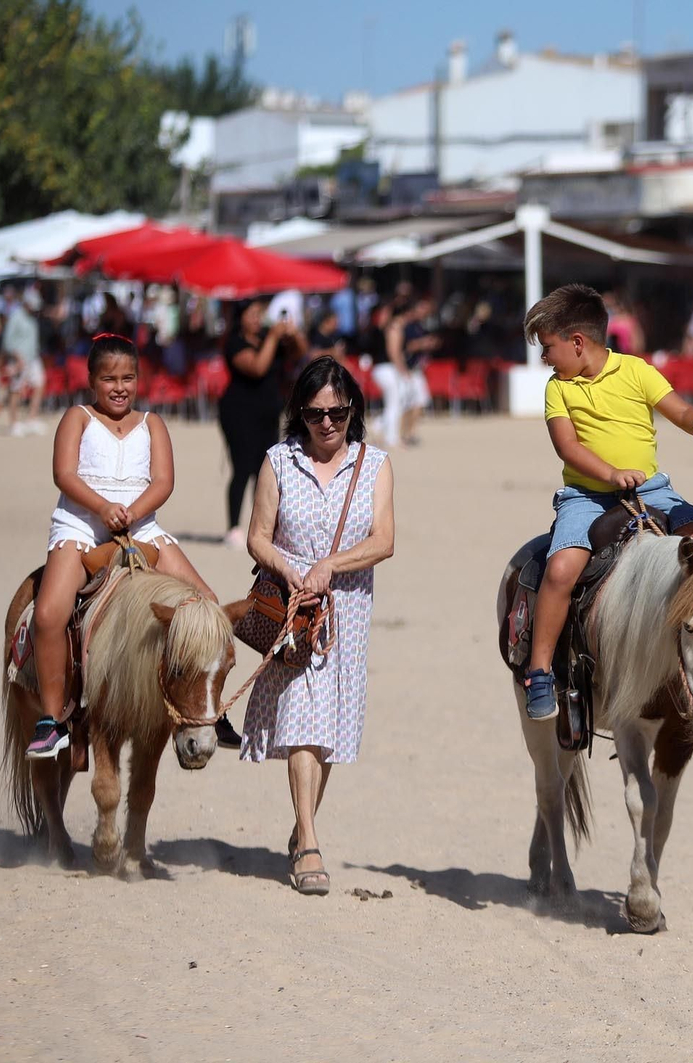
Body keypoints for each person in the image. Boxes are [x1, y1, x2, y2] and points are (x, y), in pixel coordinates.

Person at [520, 284, 693, 722]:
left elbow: (678, 409)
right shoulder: (558, 388)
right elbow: (568, 448)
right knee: (560, 570)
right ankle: (539, 670)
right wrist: (610, 474)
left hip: (651, 489)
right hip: (586, 496)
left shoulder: (637, 370)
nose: (545, 359)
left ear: (578, 342)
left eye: (548, 348)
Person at [241, 356, 394, 895]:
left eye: (337, 412)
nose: (327, 423)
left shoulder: (374, 465)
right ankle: (308, 841)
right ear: (298, 414)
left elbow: (384, 540)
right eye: (315, 414)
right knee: (303, 718)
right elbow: (258, 535)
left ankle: (300, 826)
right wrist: (292, 568)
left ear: (353, 410)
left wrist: (331, 565)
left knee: (326, 730)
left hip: (347, 612)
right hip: (293, 608)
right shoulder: (278, 462)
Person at [25, 334, 217, 758]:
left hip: (141, 526)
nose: (119, 387)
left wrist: (132, 510)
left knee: (207, 603)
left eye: (128, 377)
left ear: (139, 379)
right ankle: (52, 718)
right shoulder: (78, 417)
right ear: (91, 380)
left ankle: (207, 709)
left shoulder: (152, 423)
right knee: (49, 613)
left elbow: (164, 481)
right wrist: (102, 506)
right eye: (109, 378)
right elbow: (64, 474)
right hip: (81, 526)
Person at [222, 299, 306, 549]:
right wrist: (273, 337)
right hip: (238, 413)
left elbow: (299, 353)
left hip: (268, 414)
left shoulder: (269, 338)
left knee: (266, 472)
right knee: (242, 468)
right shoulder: (235, 343)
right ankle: (233, 526)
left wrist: (293, 333)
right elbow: (257, 367)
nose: (257, 319)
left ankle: (261, 525)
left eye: (260, 314)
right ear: (241, 318)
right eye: (252, 314)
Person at [377, 297, 438, 448]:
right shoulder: (396, 327)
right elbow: (394, 352)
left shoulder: (397, 326)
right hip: (389, 368)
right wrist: (404, 371)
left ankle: (386, 429)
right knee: (396, 402)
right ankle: (389, 435)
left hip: (392, 368)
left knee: (401, 401)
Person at [2, 285, 46, 435]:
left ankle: (31, 418)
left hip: (33, 358)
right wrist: (17, 358)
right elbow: (7, 342)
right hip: (18, 360)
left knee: (39, 384)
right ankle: (13, 423)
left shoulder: (33, 318)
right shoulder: (16, 317)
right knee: (15, 390)